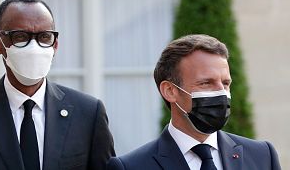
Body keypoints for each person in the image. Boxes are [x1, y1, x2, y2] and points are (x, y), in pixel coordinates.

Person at [0, 0, 115, 170]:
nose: (34, 48)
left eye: (44, 37)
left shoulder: (88, 113)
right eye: (20, 36)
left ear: (55, 45)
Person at [106, 34, 281, 170]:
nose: (221, 92)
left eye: (226, 83)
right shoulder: (131, 167)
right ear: (170, 91)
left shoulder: (262, 156)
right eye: (206, 83)